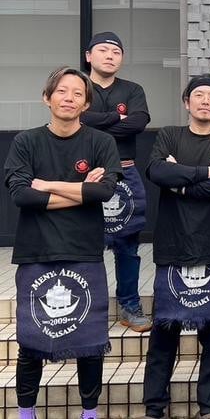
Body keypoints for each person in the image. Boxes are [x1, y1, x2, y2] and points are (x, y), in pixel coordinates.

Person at [4, 67, 120, 419]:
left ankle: (90, 412)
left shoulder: (101, 142)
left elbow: (105, 190)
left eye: (77, 94)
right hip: (36, 250)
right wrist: (80, 191)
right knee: (32, 340)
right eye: (62, 91)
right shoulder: (27, 141)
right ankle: (27, 413)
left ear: (86, 103)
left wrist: (47, 185)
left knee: (90, 340)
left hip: (83, 251)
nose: (69, 98)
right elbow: (21, 195)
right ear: (47, 98)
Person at [142, 74, 210, 419]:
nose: (205, 101)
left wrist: (183, 182)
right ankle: (155, 406)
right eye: (198, 95)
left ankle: (209, 407)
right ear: (186, 102)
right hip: (174, 246)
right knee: (164, 332)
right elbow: (156, 171)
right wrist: (207, 174)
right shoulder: (170, 135)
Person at [79, 31, 153, 333]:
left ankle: (129, 304)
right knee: (85, 242)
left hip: (124, 170)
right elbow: (76, 120)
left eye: (116, 51)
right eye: (104, 50)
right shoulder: (79, 86)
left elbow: (139, 121)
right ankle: (89, 307)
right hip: (85, 173)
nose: (110, 56)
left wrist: (96, 120)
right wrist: (117, 120)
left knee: (128, 244)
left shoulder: (132, 89)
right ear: (88, 56)